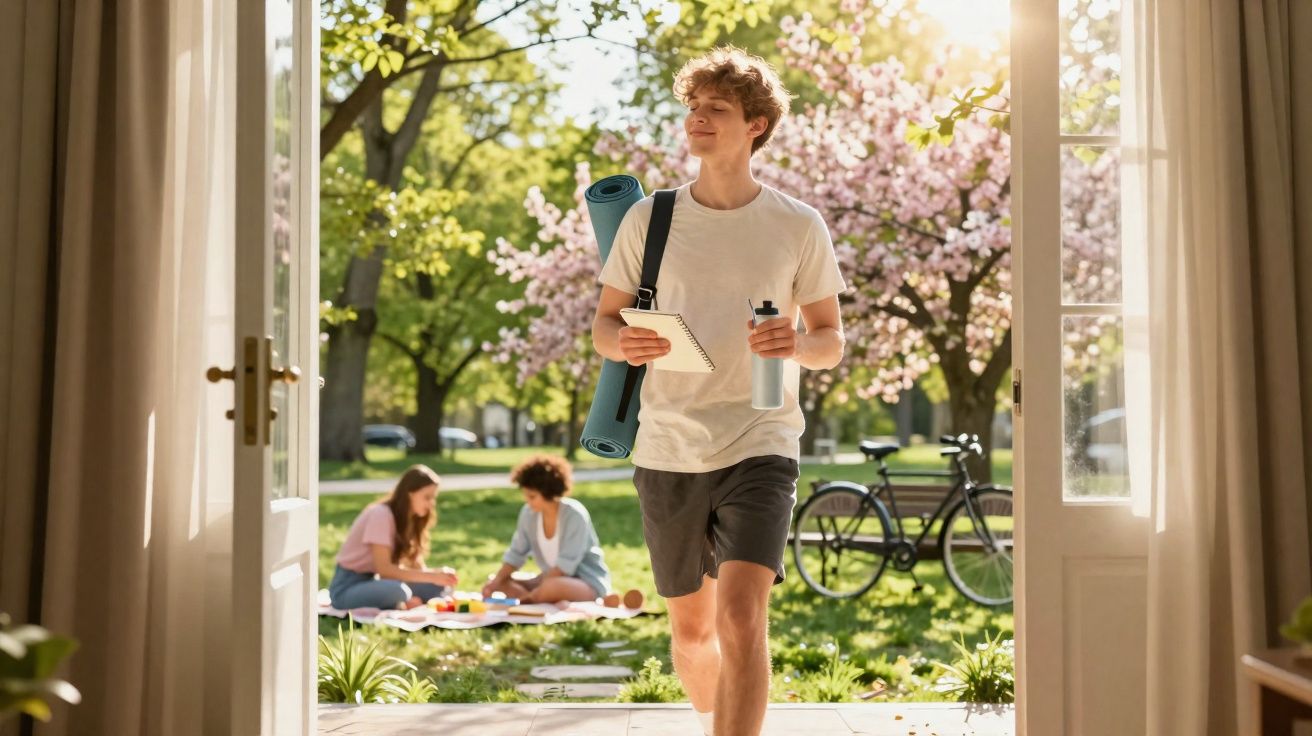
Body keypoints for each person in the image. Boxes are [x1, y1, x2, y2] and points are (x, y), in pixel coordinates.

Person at [591, 45, 846, 736]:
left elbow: (829, 339)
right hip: (669, 443)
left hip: (761, 438)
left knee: (742, 617)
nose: (698, 121)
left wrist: (795, 344)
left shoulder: (798, 225)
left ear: (755, 125)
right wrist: (626, 341)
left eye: (718, 110)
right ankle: (709, 711)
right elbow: (605, 327)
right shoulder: (652, 219)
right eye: (694, 109)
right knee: (694, 635)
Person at [482, 455, 621, 605]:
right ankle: (536, 598)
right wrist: (495, 582)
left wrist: (537, 589)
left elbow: (564, 567)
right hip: (548, 578)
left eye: (532, 496)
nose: (528, 502)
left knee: (551, 586)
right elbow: (516, 553)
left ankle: (531, 600)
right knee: (499, 580)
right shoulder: (528, 513)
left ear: (548, 492)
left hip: (584, 582)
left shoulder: (575, 515)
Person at [328, 465, 459, 610]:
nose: (431, 504)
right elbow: (385, 570)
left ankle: (405, 602)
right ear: (410, 493)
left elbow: (417, 567)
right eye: (427, 497)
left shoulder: (409, 519)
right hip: (347, 587)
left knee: (436, 587)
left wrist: (438, 576)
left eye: (433, 498)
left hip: (375, 582)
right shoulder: (381, 514)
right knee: (399, 591)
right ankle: (402, 603)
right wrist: (431, 576)